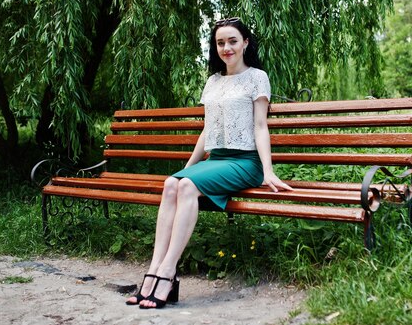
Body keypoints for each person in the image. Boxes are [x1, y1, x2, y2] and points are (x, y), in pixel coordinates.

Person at [125, 17, 293, 309]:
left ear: (245, 43)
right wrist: (189, 165)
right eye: (220, 43)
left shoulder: (257, 77)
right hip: (216, 160)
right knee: (172, 183)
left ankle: (167, 272)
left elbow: (260, 126)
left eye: (232, 41)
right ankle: (154, 270)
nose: (226, 48)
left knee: (187, 186)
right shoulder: (213, 82)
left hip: (244, 162)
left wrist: (268, 170)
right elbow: (208, 130)